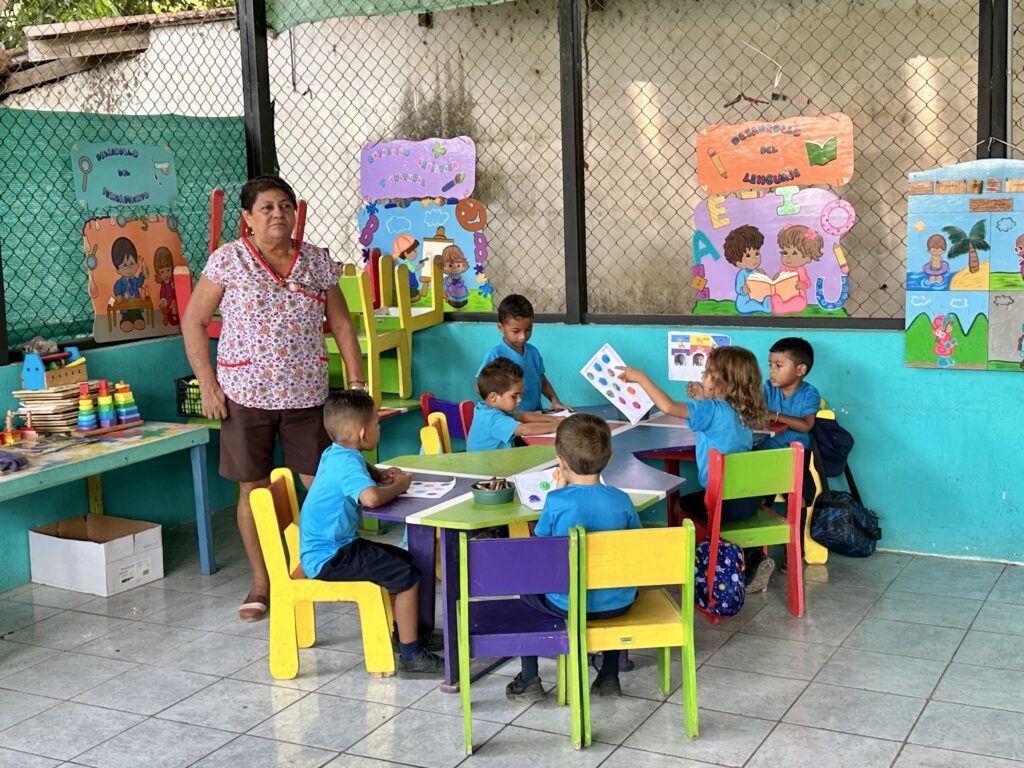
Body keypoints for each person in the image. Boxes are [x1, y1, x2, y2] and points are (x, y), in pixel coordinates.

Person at [181, 174, 365, 622]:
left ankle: (320, 563)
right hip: (245, 394)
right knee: (254, 488)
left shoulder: (317, 262)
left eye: (284, 206)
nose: (277, 215)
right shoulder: (228, 261)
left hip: (307, 395)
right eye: (266, 208)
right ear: (247, 218)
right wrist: (208, 382)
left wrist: (357, 385)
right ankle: (263, 581)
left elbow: (341, 325)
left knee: (320, 483)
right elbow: (193, 320)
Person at [299, 390, 443, 678]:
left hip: (330, 547)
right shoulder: (347, 462)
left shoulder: (336, 452)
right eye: (377, 424)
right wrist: (398, 486)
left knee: (408, 560)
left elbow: (364, 471)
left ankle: (411, 632)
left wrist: (380, 475)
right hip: (332, 556)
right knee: (407, 577)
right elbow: (371, 500)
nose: (379, 428)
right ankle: (411, 655)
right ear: (364, 433)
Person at [506, 414, 641, 701]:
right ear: (610, 457)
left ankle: (529, 678)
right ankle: (608, 676)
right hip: (618, 603)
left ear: (561, 462)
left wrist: (557, 492)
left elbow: (541, 547)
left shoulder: (557, 502)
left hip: (566, 605)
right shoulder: (622, 500)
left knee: (525, 589)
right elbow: (636, 546)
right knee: (610, 580)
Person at [618, 347, 775, 592]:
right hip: (750, 500)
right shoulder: (743, 411)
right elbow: (719, 424)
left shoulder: (712, 410)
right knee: (709, 503)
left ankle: (703, 563)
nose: (702, 376)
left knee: (680, 506)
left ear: (723, 382)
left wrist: (641, 378)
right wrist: (703, 397)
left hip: (723, 504)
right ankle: (752, 556)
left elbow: (669, 407)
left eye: (707, 373)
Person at [477, 294, 568, 413]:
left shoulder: (533, 352)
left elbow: (542, 381)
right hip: (510, 418)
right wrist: (500, 410)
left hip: (535, 414)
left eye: (528, 330)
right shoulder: (495, 354)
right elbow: (480, 387)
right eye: (515, 331)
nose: (523, 337)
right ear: (500, 327)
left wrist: (555, 400)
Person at [466, 358, 564, 452]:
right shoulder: (492, 418)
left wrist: (553, 419)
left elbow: (521, 416)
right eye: (514, 397)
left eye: (521, 395)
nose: (519, 400)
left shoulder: (486, 408)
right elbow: (523, 429)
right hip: (487, 467)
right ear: (494, 397)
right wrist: (555, 426)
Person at [757, 337, 819, 451]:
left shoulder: (809, 393)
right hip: (763, 451)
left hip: (796, 455)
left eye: (778, 365)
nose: (771, 370)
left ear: (800, 370)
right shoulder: (767, 388)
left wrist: (773, 416)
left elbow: (806, 426)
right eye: (770, 365)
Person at [723, 224, 772, 315]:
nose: (754, 258)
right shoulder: (742, 274)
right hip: (745, 303)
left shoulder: (758, 271)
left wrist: (765, 279)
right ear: (738, 263)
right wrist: (743, 290)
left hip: (757, 298)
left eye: (756, 254)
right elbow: (739, 289)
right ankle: (765, 308)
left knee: (768, 297)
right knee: (755, 305)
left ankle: (766, 305)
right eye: (748, 256)